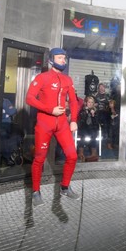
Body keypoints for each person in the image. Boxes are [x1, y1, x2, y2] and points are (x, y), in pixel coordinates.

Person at [26, 48, 81, 205]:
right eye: (59, 57)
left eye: (64, 57)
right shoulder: (42, 77)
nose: (63, 60)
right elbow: (29, 98)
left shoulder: (67, 79)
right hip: (44, 123)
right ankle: (36, 191)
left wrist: (74, 120)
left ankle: (65, 187)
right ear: (51, 60)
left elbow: (73, 101)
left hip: (62, 123)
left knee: (72, 156)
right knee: (39, 158)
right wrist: (50, 110)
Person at [77, 96, 100, 162]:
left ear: (93, 104)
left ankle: (94, 154)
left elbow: (97, 122)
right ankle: (80, 153)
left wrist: (93, 115)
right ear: (86, 103)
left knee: (93, 136)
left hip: (92, 128)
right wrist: (86, 113)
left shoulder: (96, 111)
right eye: (89, 102)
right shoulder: (83, 110)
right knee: (83, 136)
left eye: (92, 102)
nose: (90, 104)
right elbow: (81, 121)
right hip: (84, 128)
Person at [0, 97, 19, 166]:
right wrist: (7, 114)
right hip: (1, 125)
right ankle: (7, 158)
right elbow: (11, 111)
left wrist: (5, 113)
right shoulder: (3, 101)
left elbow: (13, 111)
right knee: (5, 139)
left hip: (4, 125)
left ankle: (6, 157)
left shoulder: (6, 100)